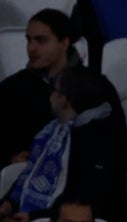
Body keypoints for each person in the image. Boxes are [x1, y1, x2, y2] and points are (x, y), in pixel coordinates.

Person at [0, 65, 127, 222]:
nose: (49, 94)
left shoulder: (99, 142)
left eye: (53, 89)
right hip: (33, 219)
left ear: (63, 100)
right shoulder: (53, 130)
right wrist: (8, 204)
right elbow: (30, 174)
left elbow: (87, 199)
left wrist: (35, 218)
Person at [0, 8, 83, 166]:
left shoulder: (95, 87)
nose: (31, 48)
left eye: (41, 40)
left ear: (64, 43)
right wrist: (9, 162)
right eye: (29, 40)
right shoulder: (11, 89)